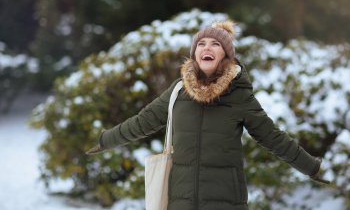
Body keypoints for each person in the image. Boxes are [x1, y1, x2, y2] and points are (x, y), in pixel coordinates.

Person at [86, 20, 330, 210]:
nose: (207, 48)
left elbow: (272, 137)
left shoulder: (239, 95)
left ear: (225, 54)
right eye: (201, 44)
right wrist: (105, 140)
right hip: (181, 202)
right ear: (194, 54)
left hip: (225, 202)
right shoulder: (178, 91)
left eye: (215, 44)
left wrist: (311, 167)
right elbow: (142, 122)